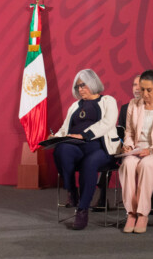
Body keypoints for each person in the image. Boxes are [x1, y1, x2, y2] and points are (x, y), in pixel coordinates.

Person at [51, 69, 121, 230]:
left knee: (89, 164)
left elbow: (108, 122)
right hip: (77, 146)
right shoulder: (75, 105)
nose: (80, 89)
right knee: (61, 150)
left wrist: (84, 135)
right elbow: (65, 127)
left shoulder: (107, 100)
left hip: (101, 147)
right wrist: (56, 137)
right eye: (78, 87)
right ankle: (71, 190)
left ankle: (82, 210)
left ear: (93, 83)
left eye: (83, 85)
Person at [119, 70, 153, 234]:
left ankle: (142, 214)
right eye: (142, 89)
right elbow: (128, 132)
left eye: (149, 90)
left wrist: (150, 150)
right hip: (137, 149)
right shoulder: (133, 104)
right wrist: (128, 146)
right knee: (128, 164)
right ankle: (131, 212)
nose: (144, 93)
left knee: (145, 165)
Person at [94, 74, 140, 211]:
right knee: (107, 153)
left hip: (145, 147)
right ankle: (102, 199)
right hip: (126, 147)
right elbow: (120, 130)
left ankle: (148, 200)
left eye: (139, 85)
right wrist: (124, 145)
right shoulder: (126, 107)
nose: (136, 88)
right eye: (134, 85)